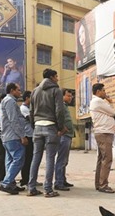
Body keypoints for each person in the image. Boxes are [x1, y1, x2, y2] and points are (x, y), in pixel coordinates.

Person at [28, 69, 66, 198]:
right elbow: (59, 111)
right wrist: (60, 127)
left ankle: (31, 187)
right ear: (51, 77)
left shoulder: (35, 91)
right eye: (56, 76)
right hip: (50, 127)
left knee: (35, 158)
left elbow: (31, 111)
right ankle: (48, 189)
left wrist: (34, 125)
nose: (57, 78)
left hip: (37, 127)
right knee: (50, 159)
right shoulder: (56, 90)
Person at [0, 83, 28, 195]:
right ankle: (6, 183)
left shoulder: (5, 101)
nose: (20, 92)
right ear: (12, 90)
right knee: (18, 159)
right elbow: (13, 120)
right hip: (13, 136)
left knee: (10, 161)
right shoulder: (10, 101)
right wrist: (22, 136)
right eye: (18, 90)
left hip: (7, 136)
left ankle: (11, 184)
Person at [90, 83, 115, 194]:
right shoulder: (98, 101)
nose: (105, 92)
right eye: (103, 90)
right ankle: (103, 184)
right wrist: (110, 102)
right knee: (107, 158)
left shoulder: (96, 101)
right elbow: (113, 112)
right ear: (98, 91)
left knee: (102, 159)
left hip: (103, 132)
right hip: (104, 132)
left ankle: (99, 183)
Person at [54, 89, 75, 191]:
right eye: (68, 96)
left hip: (68, 135)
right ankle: (58, 182)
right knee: (61, 160)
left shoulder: (65, 106)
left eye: (71, 96)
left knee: (64, 160)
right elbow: (58, 117)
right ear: (62, 96)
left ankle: (62, 179)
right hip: (63, 135)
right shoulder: (60, 105)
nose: (70, 98)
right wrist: (62, 129)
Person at [19, 91, 34, 186]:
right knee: (27, 159)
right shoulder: (23, 108)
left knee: (31, 158)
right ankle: (25, 179)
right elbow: (31, 119)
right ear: (27, 98)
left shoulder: (28, 108)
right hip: (27, 135)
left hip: (31, 135)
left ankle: (30, 178)